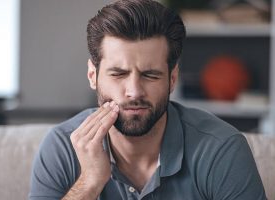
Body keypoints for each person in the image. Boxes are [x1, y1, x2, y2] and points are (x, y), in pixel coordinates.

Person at [29, 0, 267, 199]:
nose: (134, 91)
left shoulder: (221, 148)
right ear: (93, 76)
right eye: (118, 74)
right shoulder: (61, 147)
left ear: (172, 79)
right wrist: (90, 182)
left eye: (150, 75)